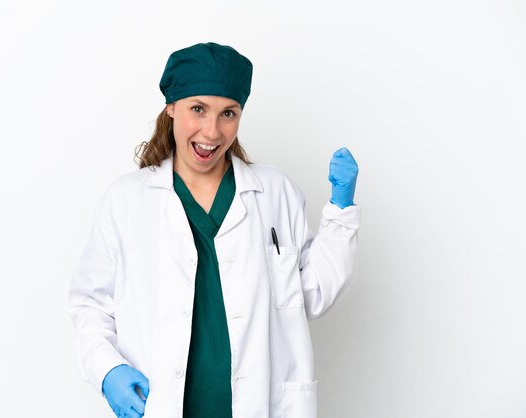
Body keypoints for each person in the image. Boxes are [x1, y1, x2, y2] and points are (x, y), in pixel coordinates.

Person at [68, 42, 361, 418]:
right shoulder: (127, 200)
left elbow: (313, 294)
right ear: (171, 107)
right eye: (197, 109)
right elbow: (90, 303)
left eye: (228, 113)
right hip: (163, 405)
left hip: (261, 405)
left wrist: (341, 210)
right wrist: (108, 369)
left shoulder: (273, 193)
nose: (212, 130)